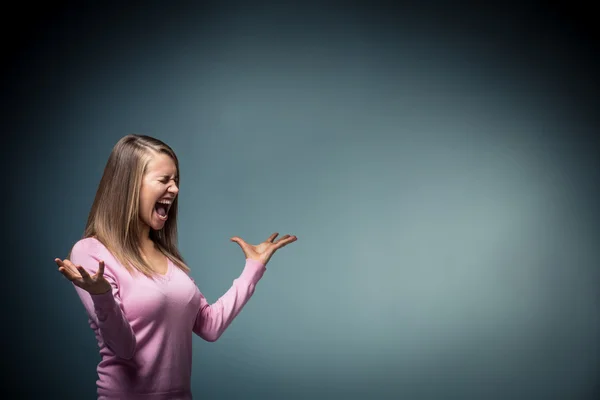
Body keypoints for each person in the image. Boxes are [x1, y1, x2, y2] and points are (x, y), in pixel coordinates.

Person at [54, 134, 297, 399]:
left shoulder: (168, 259)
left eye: (176, 180)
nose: (175, 189)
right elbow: (123, 347)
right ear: (129, 185)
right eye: (164, 180)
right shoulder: (91, 252)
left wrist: (253, 267)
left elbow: (210, 325)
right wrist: (102, 296)